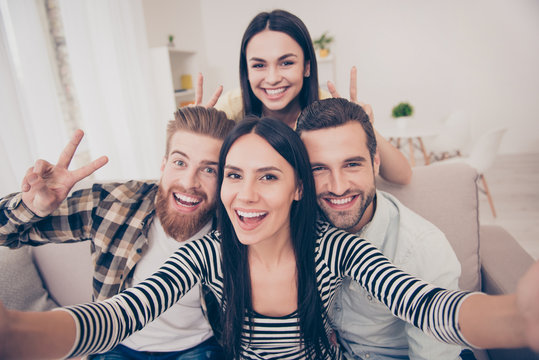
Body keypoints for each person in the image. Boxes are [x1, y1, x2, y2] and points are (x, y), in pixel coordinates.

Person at [0, 117, 538, 360]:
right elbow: (124, 313)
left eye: (269, 176)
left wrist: (517, 317)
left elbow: (426, 305)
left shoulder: (334, 249)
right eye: (233, 175)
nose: (246, 195)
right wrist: (22, 333)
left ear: (300, 188)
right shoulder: (209, 252)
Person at [0, 107, 235, 359]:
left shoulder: (234, 230)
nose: (190, 182)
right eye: (180, 162)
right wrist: (31, 207)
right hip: (116, 344)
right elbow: (7, 233)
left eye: (209, 169)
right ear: (164, 164)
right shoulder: (113, 202)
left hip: (197, 348)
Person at [296, 97, 462, 359]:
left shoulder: (423, 248)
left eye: (352, 164)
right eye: (318, 168)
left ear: (375, 162)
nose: (338, 187)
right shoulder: (296, 228)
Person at [203, 9, 412, 185]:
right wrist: (195, 132)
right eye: (259, 65)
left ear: (307, 67)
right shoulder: (230, 109)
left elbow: (402, 176)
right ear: (246, 72)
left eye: (286, 63)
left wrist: (365, 126)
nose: (273, 78)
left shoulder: (325, 109)